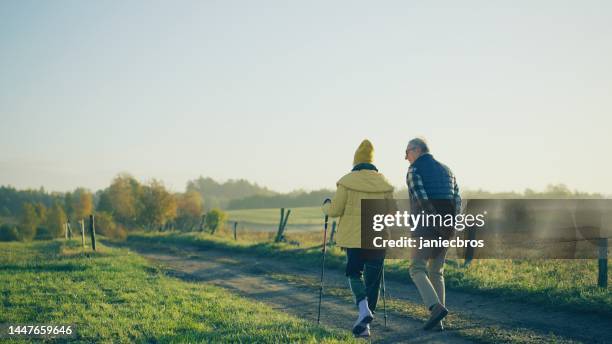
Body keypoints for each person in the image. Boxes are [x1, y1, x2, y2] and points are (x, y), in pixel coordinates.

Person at [322, 139, 394, 338]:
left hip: (354, 240)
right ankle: (365, 324)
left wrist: (325, 206)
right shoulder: (385, 183)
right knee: (373, 282)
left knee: (354, 274)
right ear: (372, 162)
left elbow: (334, 210)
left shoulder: (347, 181)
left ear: (355, 162)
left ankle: (363, 311)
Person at [405, 137, 461, 331]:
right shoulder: (448, 171)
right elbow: (457, 200)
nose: (405, 157)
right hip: (447, 229)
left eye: (407, 152)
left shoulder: (414, 170)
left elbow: (421, 200)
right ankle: (439, 322)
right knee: (437, 272)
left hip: (424, 228)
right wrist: (450, 224)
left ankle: (435, 308)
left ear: (417, 150)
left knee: (416, 269)